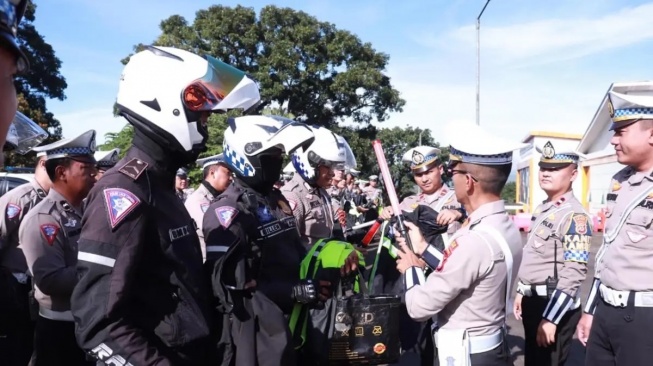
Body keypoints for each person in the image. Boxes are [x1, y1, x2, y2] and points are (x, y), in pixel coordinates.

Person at [71, 46, 261, 365]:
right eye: (200, 113)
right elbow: (98, 324)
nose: (206, 124)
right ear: (164, 104)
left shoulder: (159, 184)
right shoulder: (123, 190)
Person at [203, 115, 358, 365]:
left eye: (279, 155)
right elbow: (228, 291)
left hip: (294, 323)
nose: (278, 162)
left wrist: (324, 273)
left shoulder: (275, 200)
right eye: (271, 156)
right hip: (256, 336)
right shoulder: (228, 213)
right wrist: (291, 291)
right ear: (246, 156)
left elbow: (296, 254)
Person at [395, 122, 523, 366]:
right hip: (492, 344)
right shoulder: (503, 225)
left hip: (466, 354)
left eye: (453, 172)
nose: (450, 178)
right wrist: (423, 248)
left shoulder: (472, 239)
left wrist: (411, 268)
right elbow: (463, 269)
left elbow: (419, 307)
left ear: (469, 181)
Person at [577, 91, 653, 366]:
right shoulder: (620, 181)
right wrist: (591, 310)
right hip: (606, 311)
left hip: (644, 319)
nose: (613, 140)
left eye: (621, 132)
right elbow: (607, 252)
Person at [378, 145, 465, 366]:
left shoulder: (459, 199)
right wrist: (385, 216)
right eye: (418, 174)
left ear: (440, 169)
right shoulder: (407, 204)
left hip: (446, 280)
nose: (424, 178)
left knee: (442, 347)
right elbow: (390, 239)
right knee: (413, 345)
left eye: (429, 171)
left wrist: (459, 214)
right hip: (414, 281)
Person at [19, 130, 97, 365]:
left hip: (88, 321)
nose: (94, 174)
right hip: (61, 329)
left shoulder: (86, 211)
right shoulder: (44, 217)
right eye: (86, 168)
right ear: (62, 172)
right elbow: (50, 280)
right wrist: (102, 269)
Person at [513, 141, 591, 366]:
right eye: (544, 167)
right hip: (534, 300)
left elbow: (574, 273)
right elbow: (535, 257)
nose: (546, 173)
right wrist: (522, 290)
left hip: (553, 303)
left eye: (555, 169)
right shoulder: (545, 208)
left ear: (574, 174)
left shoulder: (575, 216)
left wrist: (551, 318)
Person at [0, 150, 51, 365]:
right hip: (14, 286)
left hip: (37, 288)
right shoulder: (21, 197)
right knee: (17, 344)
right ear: (42, 164)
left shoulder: (53, 199)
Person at [281, 126, 352, 248]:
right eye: (328, 166)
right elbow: (289, 248)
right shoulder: (293, 195)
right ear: (309, 163)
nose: (332, 173)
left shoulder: (321, 191)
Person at [184, 153, 230, 261]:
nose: (231, 178)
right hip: (207, 264)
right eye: (227, 173)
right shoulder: (198, 200)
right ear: (212, 173)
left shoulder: (218, 197)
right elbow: (213, 232)